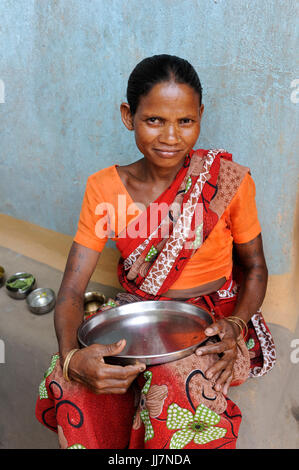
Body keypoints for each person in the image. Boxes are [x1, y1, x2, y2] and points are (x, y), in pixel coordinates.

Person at [35, 54, 276, 450]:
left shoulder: (227, 182)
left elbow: (256, 268)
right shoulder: (104, 188)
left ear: (200, 115)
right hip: (140, 312)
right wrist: (70, 359)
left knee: (178, 391)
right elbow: (71, 293)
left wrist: (236, 325)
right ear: (129, 116)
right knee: (73, 384)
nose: (170, 137)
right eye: (154, 120)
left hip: (213, 317)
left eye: (185, 121)